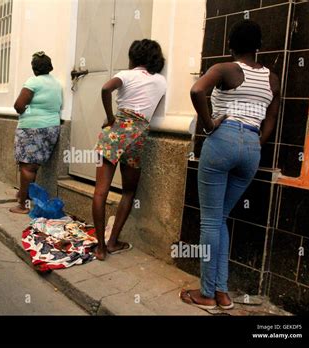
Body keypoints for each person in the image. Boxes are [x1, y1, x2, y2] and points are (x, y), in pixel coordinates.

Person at [180, 20, 280, 310]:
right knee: (220, 218)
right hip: (251, 147)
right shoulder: (273, 79)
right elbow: (271, 118)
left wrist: (210, 124)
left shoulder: (225, 69)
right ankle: (222, 293)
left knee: (210, 221)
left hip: (222, 140)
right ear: (258, 46)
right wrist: (254, 144)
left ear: (231, 45)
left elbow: (197, 91)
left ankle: (207, 294)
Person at [92, 39, 166, 261]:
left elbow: (105, 88)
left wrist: (111, 116)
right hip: (137, 137)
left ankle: (101, 248)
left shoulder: (126, 75)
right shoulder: (161, 81)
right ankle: (113, 241)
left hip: (113, 133)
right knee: (128, 192)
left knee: (100, 192)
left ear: (134, 57)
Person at [10, 51, 63, 214]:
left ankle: (23, 204)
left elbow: (19, 106)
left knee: (27, 166)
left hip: (32, 128)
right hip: (52, 128)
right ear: (50, 67)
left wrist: (30, 110)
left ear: (34, 68)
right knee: (32, 165)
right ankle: (23, 193)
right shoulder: (57, 84)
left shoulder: (33, 81)